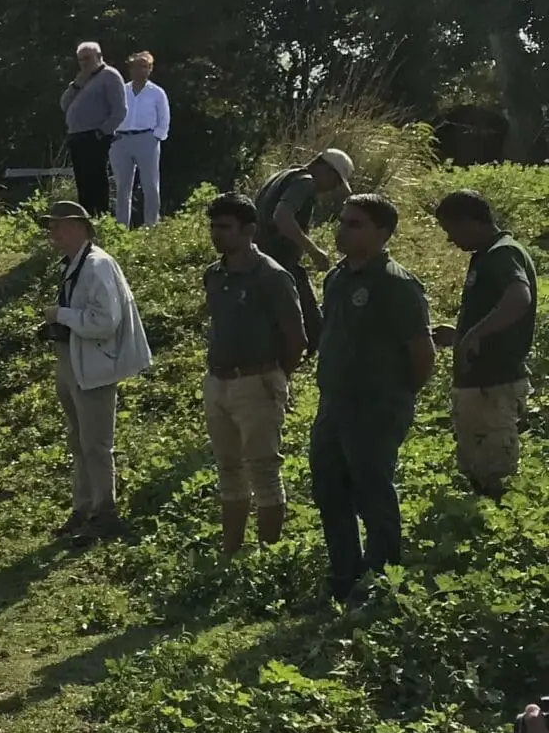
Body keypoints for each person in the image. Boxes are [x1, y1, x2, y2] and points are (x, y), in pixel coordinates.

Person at [310, 192, 435, 603]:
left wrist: (396, 395)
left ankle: (381, 581)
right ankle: (344, 577)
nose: (342, 230)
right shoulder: (336, 278)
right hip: (333, 404)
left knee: (372, 491)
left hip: (376, 406)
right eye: (342, 221)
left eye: (354, 224)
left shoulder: (396, 283)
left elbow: (422, 353)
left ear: (382, 233)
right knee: (329, 488)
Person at [200, 193, 307, 554]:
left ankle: (268, 555)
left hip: (257, 381)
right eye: (213, 227)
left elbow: (297, 338)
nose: (217, 234)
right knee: (228, 469)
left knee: (263, 472)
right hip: (218, 381)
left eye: (225, 227)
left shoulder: (272, 277)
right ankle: (231, 549)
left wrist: (273, 378)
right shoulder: (214, 275)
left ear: (248, 231)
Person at [41, 199, 152, 542]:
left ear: (78, 227)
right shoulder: (76, 264)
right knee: (79, 441)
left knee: (96, 445)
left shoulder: (97, 264)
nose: (52, 233)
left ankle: (105, 512)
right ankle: (84, 508)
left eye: (58, 226)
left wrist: (60, 315)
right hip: (74, 363)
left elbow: (104, 322)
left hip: (94, 366)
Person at [431, 189, 536, 499]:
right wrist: (460, 335)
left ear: (470, 222)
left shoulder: (503, 253)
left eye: (451, 230)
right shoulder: (487, 255)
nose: (450, 239)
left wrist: (475, 334)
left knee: (494, 473)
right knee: (476, 469)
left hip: (494, 383)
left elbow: (519, 297)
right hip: (479, 384)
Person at [255, 149, 355, 354]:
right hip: (280, 262)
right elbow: (282, 217)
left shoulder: (282, 175)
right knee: (312, 327)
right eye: (335, 181)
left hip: (258, 258)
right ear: (324, 168)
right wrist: (314, 251)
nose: (333, 188)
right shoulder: (305, 182)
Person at [61, 43, 127, 218]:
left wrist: (102, 132)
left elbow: (120, 110)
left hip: (95, 137)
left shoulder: (110, 76)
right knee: (82, 181)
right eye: (80, 60)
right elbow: (64, 104)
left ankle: (101, 218)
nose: (84, 63)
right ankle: (86, 218)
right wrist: (76, 84)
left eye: (87, 58)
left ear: (99, 56)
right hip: (76, 137)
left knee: (96, 179)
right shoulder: (81, 80)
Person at [110, 51, 171, 227]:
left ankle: (151, 225)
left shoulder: (157, 92)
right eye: (136, 66)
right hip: (121, 140)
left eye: (144, 66)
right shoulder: (122, 90)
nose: (140, 70)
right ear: (130, 69)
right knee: (122, 187)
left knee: (150, 185)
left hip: (146, 139)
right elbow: (111, 112)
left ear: (150, 69)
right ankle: (121, 227)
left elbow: (164, 117)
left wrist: (156, 137)